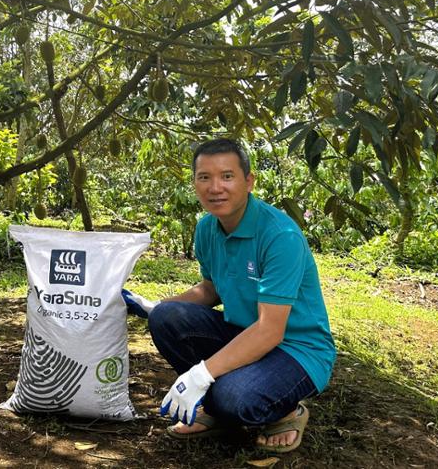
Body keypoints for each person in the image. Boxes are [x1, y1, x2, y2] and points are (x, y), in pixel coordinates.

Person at [122, 138, 336, 453]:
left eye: (227, 176)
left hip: (297, 349)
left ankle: (288, 410)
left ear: (248, 182)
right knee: (166, 318)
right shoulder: (207, 229)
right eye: (204, 177)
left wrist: (200, 375)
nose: (215, 187)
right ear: (194, 183)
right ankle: (217, 409)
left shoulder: (280, 236)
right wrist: (156, 306)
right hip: (242, 333)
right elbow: (211, 290)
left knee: (234, 397)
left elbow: (270, 329)